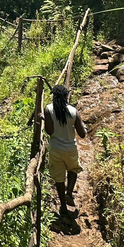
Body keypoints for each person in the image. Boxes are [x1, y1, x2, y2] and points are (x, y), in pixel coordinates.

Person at [40, 85, 86, 216]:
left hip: (56, 149)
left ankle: (63, 206)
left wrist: (45, 119)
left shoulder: (48, 109)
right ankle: (69, 193)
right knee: (73, 169)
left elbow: (50, 131)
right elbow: (82, 134)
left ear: (54, 96)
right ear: (66, 97)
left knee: (59, 178)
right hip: (71, 148)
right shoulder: (73, 111)